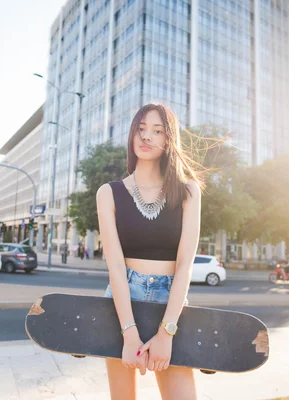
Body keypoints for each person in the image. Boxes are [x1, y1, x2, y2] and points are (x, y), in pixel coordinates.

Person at [97, 104, 204, 399]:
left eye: (157, 131)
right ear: (132, 135)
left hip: (170, 300)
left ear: (169, 140)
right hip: (121, 302)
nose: (147, 136)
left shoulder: (189, 192)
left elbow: (185, 264)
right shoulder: (108, 193)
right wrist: (129, 333)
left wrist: (166, 331)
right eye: (141, 129)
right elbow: (115, 267)